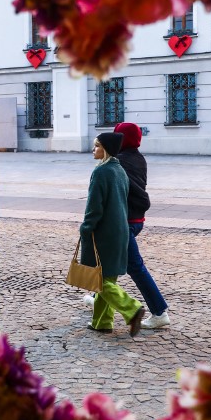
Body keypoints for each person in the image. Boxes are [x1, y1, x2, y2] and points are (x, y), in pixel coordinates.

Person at [80, 132, 144, 336]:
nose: (94, 149)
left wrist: (86, 227)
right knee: (107, 277)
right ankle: (102, 322)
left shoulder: (101, 172)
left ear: (105, 149)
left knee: (98, 280)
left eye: (97, 146)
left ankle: (132, 309)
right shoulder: (120, 170)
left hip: (103, 232)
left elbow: (94, 207)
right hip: (120, 230)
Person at [114, 122, 170, 328]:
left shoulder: (118, 162)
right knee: (111, 260)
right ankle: (101, 296)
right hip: (137, 220)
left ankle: (159, 312)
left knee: (135, 267)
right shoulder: (139, 159)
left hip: (124, 221)